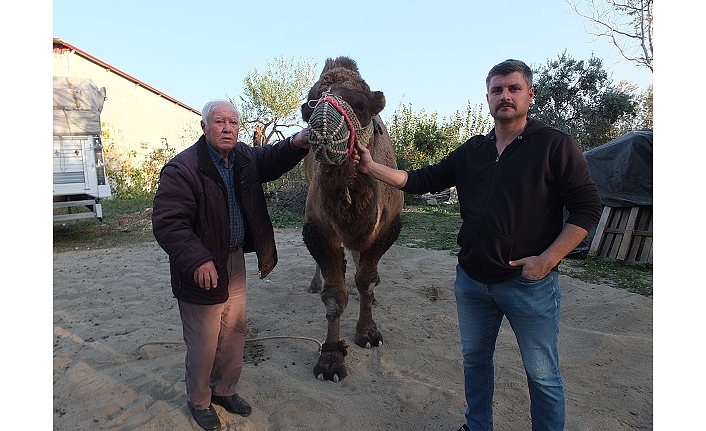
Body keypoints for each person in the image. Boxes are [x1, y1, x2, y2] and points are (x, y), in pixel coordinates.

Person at [352, 59, 602, 431]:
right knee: (475, 360)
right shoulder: (474, 151)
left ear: (529, 95)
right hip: (472, 282)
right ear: (487, 98)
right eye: (497, 90)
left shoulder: (554, 146)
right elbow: (421, 179)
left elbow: (587, 208)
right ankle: (477, 425)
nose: (505, 96)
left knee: (542, 375)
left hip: (527, 284)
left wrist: (548, 260)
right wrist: (372, 168)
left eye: (513, 89)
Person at [152, 99, 310, 430]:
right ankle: (199, 400)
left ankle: (224, 390)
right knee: (205, 340)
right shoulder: (183, 168)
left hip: (234, 258)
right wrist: (198, 259)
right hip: (201, 267)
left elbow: (271, 158)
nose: (228, 128)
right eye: (220, 121)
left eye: (233, 122)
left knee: (234, 330)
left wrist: (297, 143)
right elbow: (169, 223)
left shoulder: (243, 157)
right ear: (204, 126)